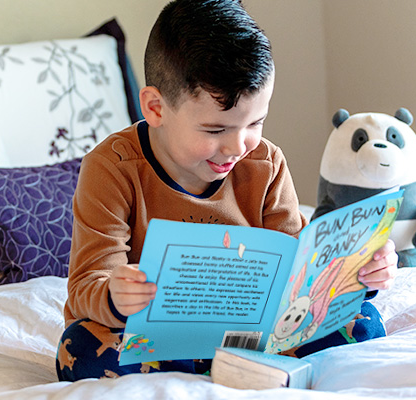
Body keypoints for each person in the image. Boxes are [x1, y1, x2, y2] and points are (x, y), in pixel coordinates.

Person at [56, 0, 397, 381]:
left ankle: (231, 365)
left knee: (363, 322)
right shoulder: (111, 168)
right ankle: (229, 370)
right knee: (81, 350)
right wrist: (115, 296)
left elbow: (299, 269)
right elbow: (87, 283)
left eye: (256, 122)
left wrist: (358, 272)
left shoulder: (264, 163)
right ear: (155, 108)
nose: (239, 147)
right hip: (152, 334)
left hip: (253, 331)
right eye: (216, 130)